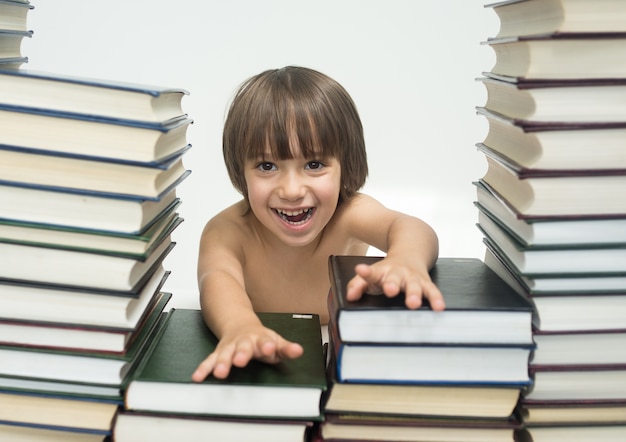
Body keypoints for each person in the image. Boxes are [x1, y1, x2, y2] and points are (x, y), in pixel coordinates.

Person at [192, 66, 445, 382]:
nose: (292, 191)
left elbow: (410, 227)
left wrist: (406, 260)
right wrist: (240, 326)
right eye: (267, 166)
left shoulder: (349, 214)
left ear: (346, 163)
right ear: (240, 170)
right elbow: (216, 279)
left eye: (314, 164)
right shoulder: (227, 231)